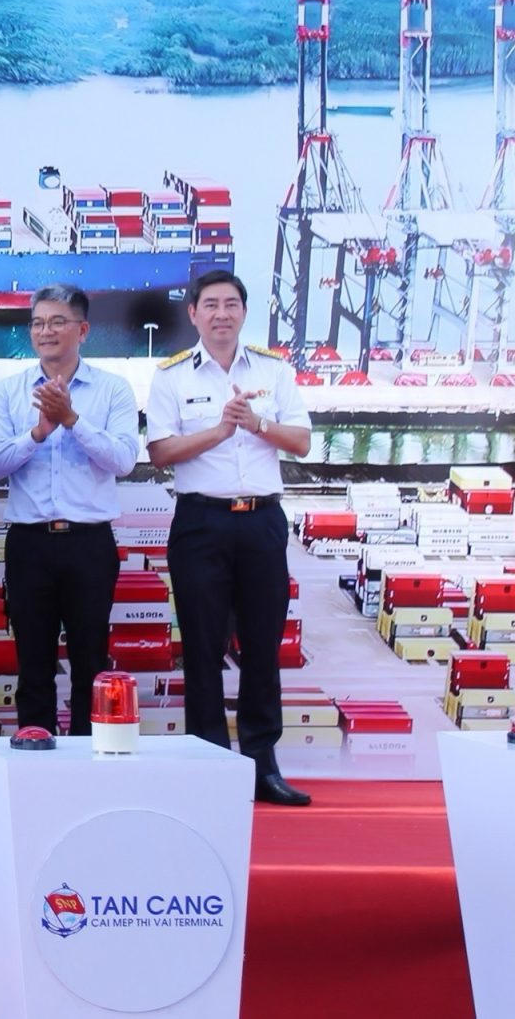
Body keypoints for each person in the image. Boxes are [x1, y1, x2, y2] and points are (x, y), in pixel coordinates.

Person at [146, 270, 314, 807]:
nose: (222, 314)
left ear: (244, 312)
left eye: (231, 304)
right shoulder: (171, 376)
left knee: (262, 646)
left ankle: (263, 765)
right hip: (201, 523)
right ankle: (210, 765)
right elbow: (160, 452)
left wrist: (255, 423)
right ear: (193, 313)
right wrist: (220, 430)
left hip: (261, 521)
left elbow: (302, 442)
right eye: (211, 305)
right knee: (202, 647)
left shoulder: (274, 370)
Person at [0, 285, 138, 735]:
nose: (45, 331)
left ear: (82, 330)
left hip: (89, 543)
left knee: (91, 660)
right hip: (30, 544)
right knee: (33, 662)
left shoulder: (112, 389)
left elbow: (124, 460)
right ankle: (36, 752)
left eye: (57, 322)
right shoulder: (10, 391)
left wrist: (72, 421)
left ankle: (90, 755)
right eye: (38, 323)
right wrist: (37, 434)